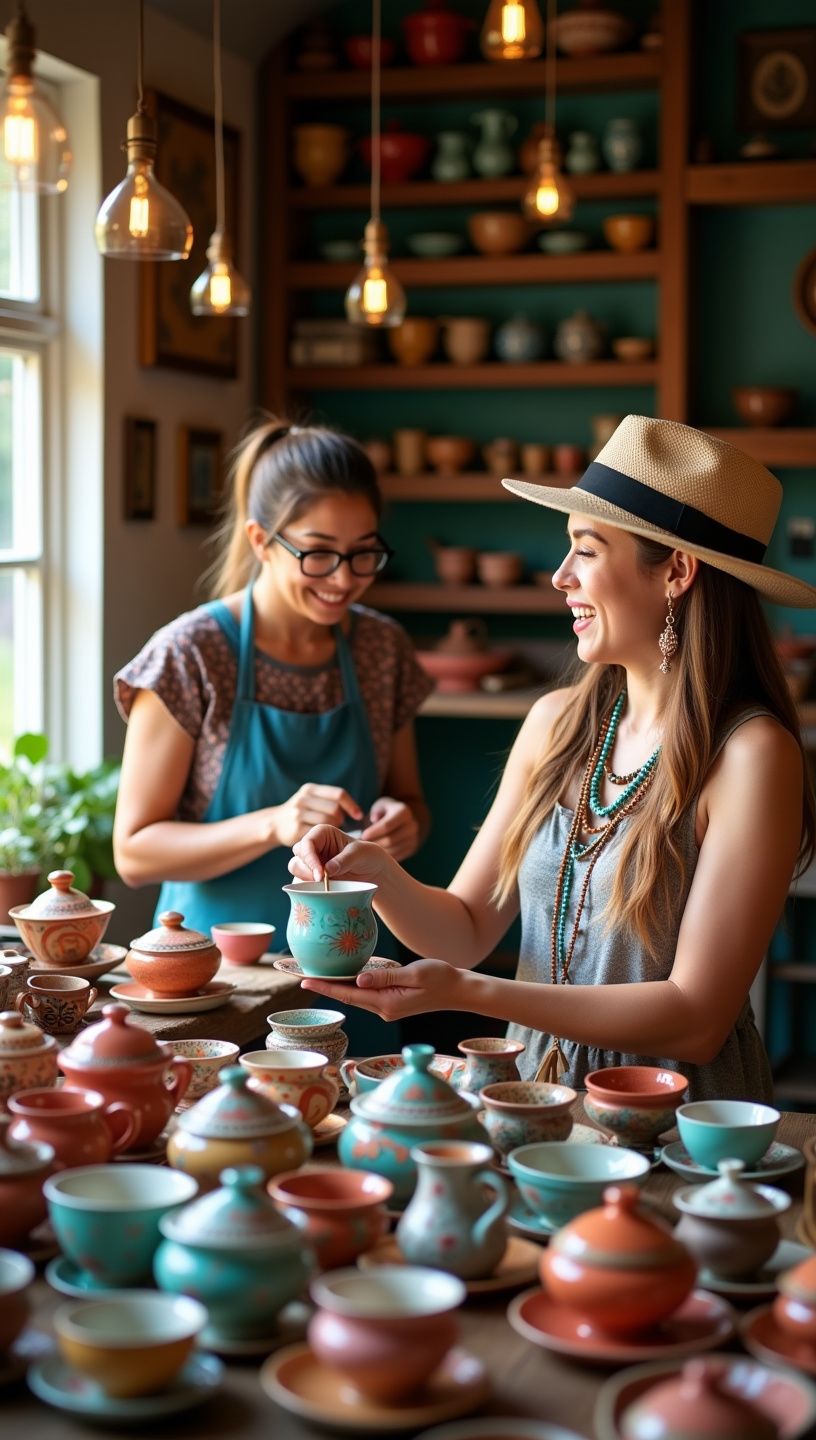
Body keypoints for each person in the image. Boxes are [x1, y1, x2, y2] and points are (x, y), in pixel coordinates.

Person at [289, 415, 816, 1102]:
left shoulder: (752, 755)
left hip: (673, 1114)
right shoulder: (555, 725)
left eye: (587, 551)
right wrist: (374, 872)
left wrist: (474, 994)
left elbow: (697, 1019)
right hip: (534, 1098)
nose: (561, 576)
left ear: (677, 572)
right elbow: (466, 928)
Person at [113, 417, 433, 953]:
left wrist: (405, 826)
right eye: (319, 552)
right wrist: (273, 824)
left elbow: (411, 801)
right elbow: (135, 853)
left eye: (363, 553)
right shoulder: (191, 654)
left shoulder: (383, 649)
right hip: (216, 969)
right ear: (261, 541)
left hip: (354, 962)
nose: (344, 578)